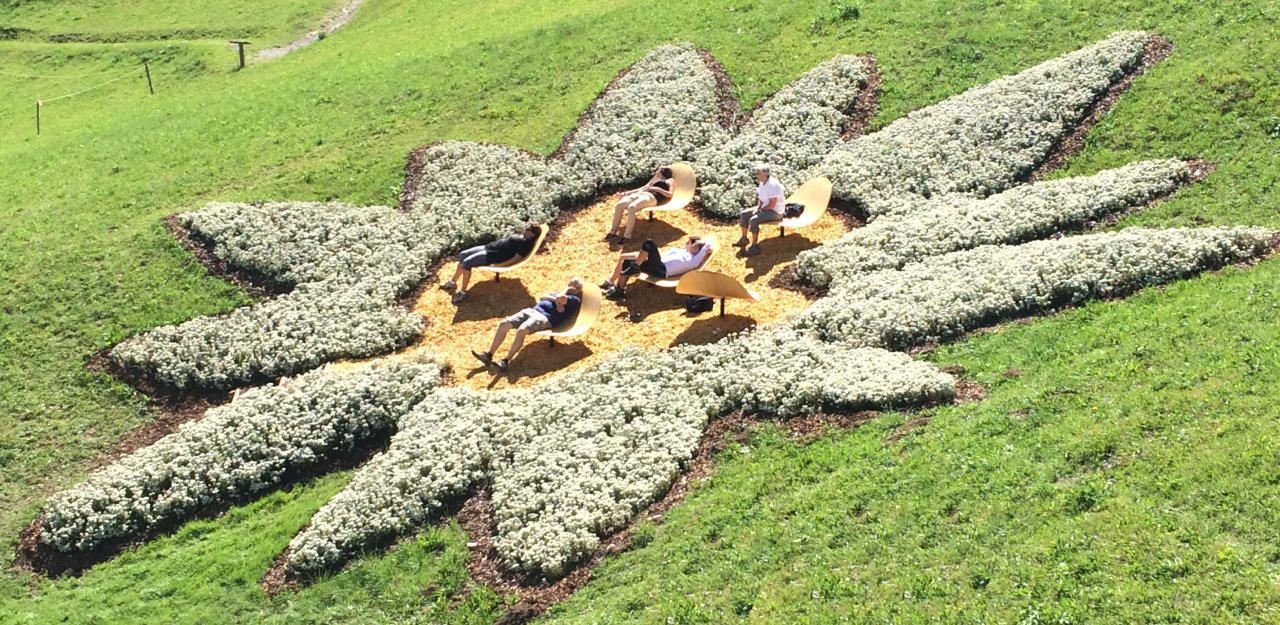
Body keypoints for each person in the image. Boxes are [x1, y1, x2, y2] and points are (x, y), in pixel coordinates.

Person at [472, 278, 584, 371]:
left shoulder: (574, 300)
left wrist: (564, 292)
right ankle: (489, 355)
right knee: (504, 324)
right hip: (530, 311)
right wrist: (556, 300)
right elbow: (543, 296)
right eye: (571, 283)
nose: (572, 286)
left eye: (575, 286)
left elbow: (561, 298)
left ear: (578, 290)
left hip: (544, 318)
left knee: (521, 330)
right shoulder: (557, 293)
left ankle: (505, 361)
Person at [441, 223, 543, 303]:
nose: (525, 230)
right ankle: (452, 283)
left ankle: (463, 293)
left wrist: (501, 265)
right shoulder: (523, 237)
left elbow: (517, 258)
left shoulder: (526, 243)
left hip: (493, 255)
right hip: (489, 247)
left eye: (528, 229)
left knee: (467, 263)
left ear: (532, 234)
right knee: (463, 254)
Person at [600, 236, 712, 300]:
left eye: (695, 246)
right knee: (627, 262)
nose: (692, 246)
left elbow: (707, 245)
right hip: (656, 264)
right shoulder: (682, 252)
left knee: (649, 244)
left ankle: (636, 266)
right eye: (693, 244)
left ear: (699, 250)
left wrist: (704, 251)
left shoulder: (693, 260)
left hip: (662, 270)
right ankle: (620, 290)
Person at [604, 166, 675, 242]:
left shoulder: (670, 180)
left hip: (651, 197)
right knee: (619, 205)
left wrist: (657, 189)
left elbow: (670, 194)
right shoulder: (655, 179)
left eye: (658, 170)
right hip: (640, 193)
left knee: (632, 207)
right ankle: (613, 232)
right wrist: (625, 193)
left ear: (662, 172)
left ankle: (626, 236)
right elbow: (642, 188)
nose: (656, 171)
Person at [735, 163, 786, 256]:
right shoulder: (762, 183)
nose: (756, 175)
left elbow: (772, 204)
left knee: (754, 220)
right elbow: (761, 199)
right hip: (765, 208)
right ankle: (744, 239)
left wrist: (760, 211)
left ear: (765, 174)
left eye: (758, 173)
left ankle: (754, 247)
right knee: (744, 214)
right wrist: (758, 208)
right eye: (756, 173)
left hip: (775, 212)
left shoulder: (773, 185)